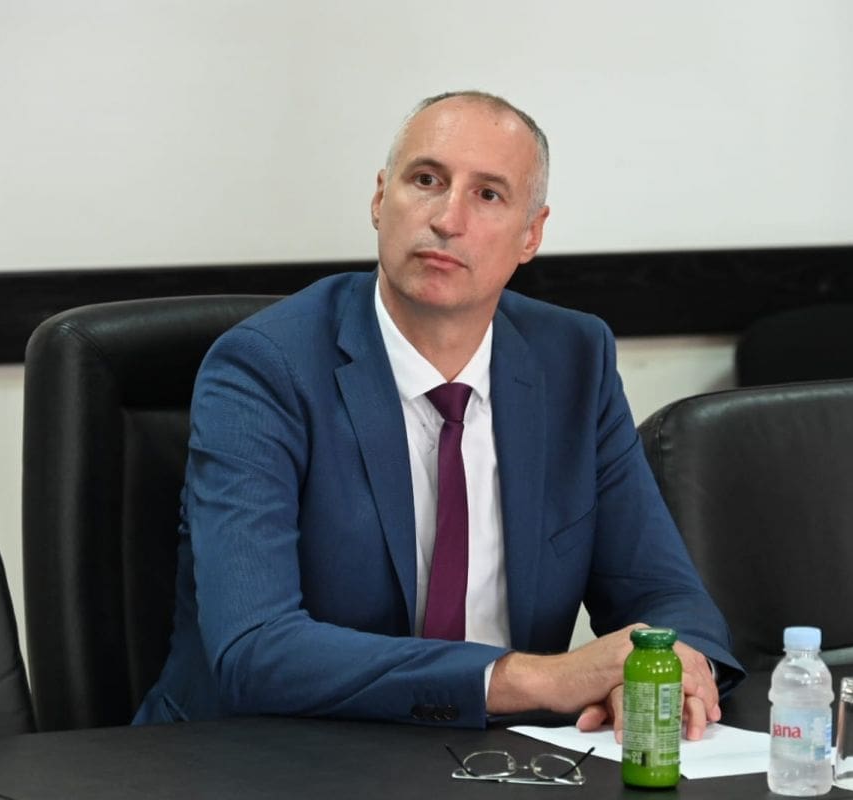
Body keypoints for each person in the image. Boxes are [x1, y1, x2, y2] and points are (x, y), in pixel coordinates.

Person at [134, 90, 743, 740]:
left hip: (498, 762)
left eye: (488, 195)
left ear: (531, 234)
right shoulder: (264, 367)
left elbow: (664, 595)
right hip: (265, 757)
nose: (448, 219)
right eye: (426, 180)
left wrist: (668, 671)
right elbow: (255, 649)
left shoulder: (573, 360)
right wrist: (537, 679)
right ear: (380, 199)